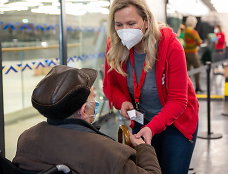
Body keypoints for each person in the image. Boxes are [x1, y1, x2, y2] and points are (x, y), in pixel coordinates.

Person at [103, 0, 199, 174]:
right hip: (142, 120)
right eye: (119, 24)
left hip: (177, 122)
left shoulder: (170, 44)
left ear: (146, 21)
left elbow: (178, 100)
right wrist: (122, 102)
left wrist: (152, 127)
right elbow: (111, 87)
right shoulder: (115, 45)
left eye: (131, 23)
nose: (125, 30)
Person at [12, 65, 161, 174]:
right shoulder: (109, 154)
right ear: (84, 110)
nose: (95, 103)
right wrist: (144, 148)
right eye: (93, 98)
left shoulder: (26, 139)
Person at [183, 16, 203, 93]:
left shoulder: (185, 31)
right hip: (193, 53)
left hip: (185, 53)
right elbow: (199, 42)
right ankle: (197, 87)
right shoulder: (193, 32)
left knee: (187, 71)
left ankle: (188, 88)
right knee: (198, 69)